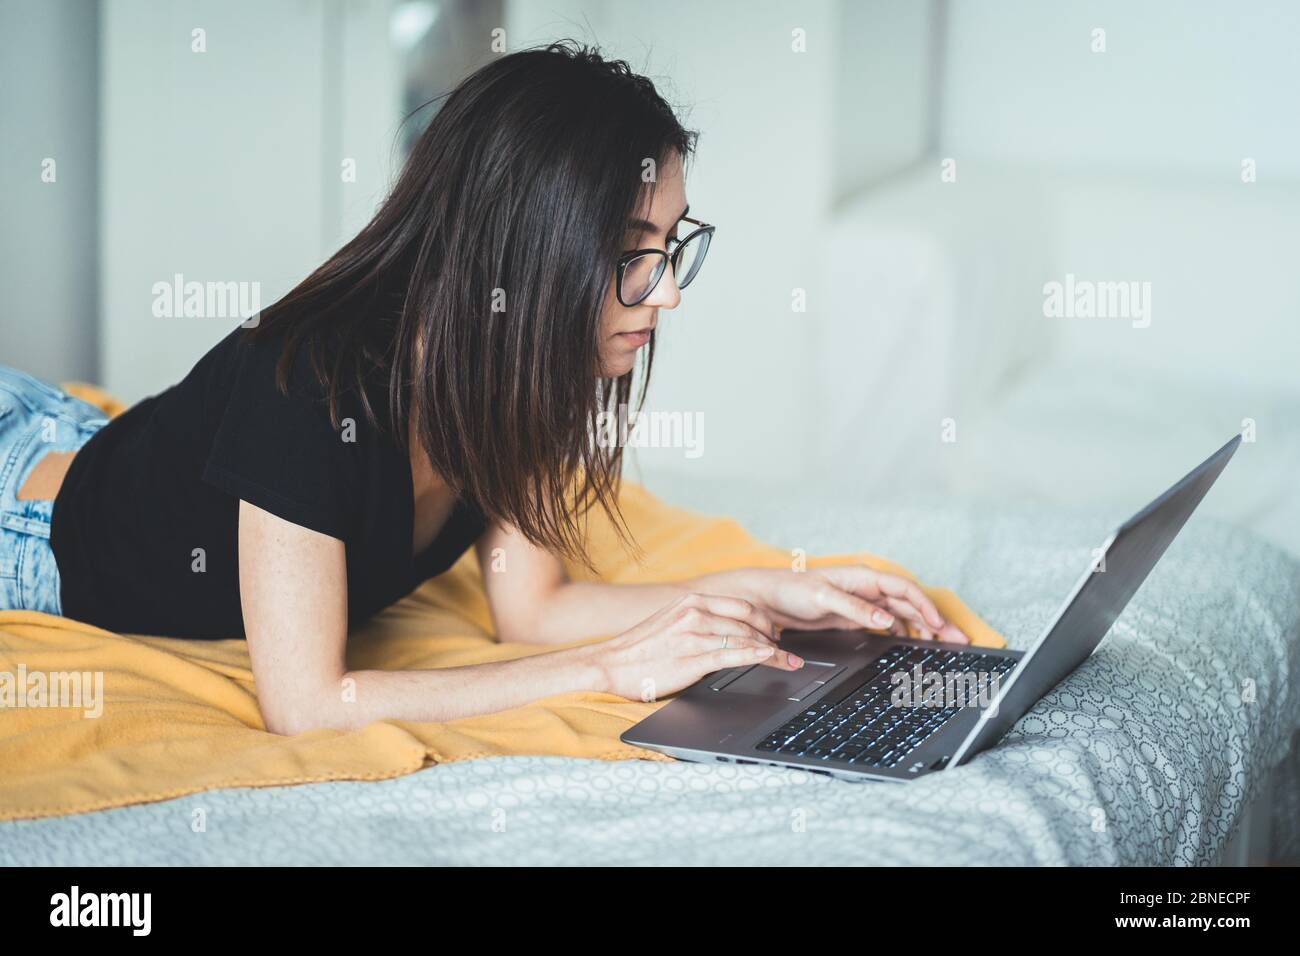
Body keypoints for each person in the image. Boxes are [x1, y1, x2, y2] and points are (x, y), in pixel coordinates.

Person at [0, 42, 967, 735]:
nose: (667, 292)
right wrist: (604, 669)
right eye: (636, 256)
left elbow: (531, 609)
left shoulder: (518, 372)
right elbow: (304, 705)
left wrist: (784, 594)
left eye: (672, 249)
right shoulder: (305, 384)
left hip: (86, 434)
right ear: (529, 252)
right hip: (28, 515)